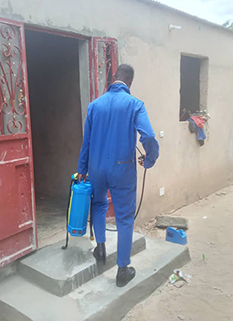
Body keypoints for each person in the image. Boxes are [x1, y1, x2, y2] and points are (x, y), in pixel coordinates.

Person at [77, 64, 159, 287]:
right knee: (124, 218)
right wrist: (150, 158)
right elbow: (148, 135)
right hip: (122, 168)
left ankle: (100, 249)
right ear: (130, 83)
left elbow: (87, 142)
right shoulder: (134, 104)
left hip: (95, 168)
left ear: (113, 79)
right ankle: (122, 270)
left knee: (99, 205)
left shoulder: (95, 105)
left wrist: (82, 170)